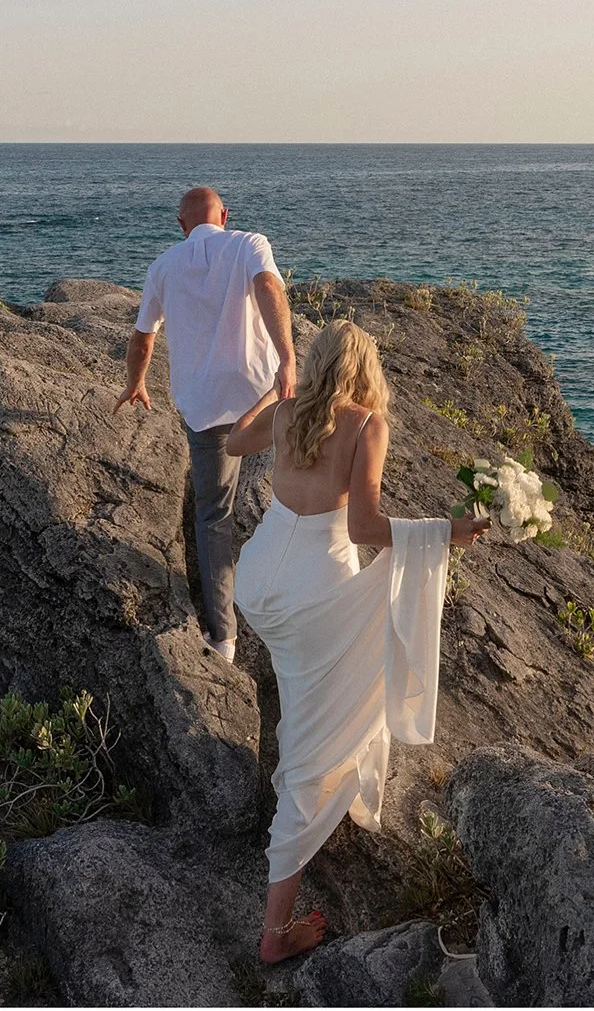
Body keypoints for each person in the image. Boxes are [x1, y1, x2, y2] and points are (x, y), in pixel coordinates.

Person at [226, 321, 489, 964]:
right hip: (315, 593)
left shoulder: (288, 412)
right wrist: (444, 533)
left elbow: (232, 440)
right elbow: (364, 524)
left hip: (259, 582)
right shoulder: (367, 425)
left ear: (315, 363)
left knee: (314, 694)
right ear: (365, 368)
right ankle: (274, 932)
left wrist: (271, 389)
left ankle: (323, 762)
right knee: (319, 744)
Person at [117, 186, 297, 663]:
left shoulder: (163, 266)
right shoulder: (248, 243)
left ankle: (224, 640)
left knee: (215, 517)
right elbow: (269, 288)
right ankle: (292, 604)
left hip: (206, 408)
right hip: (264, 398)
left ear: (181, 225)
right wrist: (288, 358)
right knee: (293, 496)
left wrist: (136, 383)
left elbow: (142, 338)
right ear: (225, 215)